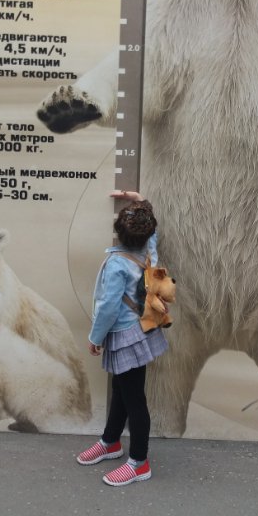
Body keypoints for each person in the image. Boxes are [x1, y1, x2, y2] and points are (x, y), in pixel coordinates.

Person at [76, 190, 168, 486]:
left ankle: (139, 462)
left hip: (124, 334)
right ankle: (110, 442)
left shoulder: (117, 264)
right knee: (122, 388)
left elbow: (107, 308)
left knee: (133, 398)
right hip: (143, 329)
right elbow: (150, 232)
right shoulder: (149, 250)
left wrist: (95, 338)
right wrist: (139, 200)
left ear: (118, 232)